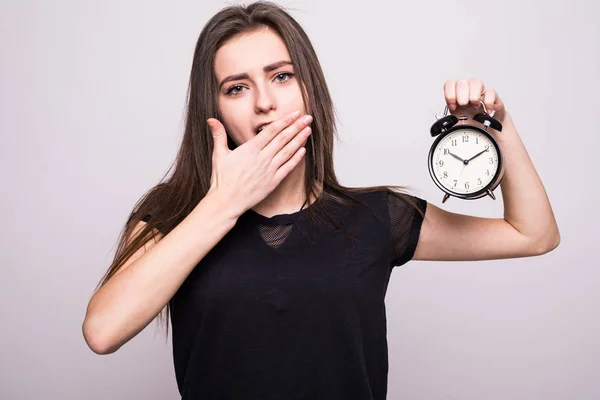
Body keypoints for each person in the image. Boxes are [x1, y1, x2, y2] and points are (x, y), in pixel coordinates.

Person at [81, 1, 560, 399]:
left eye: (282, 76)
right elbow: (102, 331)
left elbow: (533, 234)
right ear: (216, 111)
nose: (264, 102)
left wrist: (498, 124)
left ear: (311, 91)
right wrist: (224, 203)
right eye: (237, 88)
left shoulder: (376, 218)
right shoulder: (173, 213)